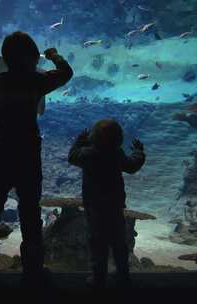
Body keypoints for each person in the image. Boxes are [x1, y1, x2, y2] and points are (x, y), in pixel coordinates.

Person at [0, 32, 73, 288]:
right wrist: (54, 55)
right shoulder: (37, 81)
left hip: (3, 153)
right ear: (34, 57)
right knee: (30, 209)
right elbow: (66, 73)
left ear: (7, 59)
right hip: (28, 154)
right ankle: (32, 272)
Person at [68, 119, 145, 289]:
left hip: (94, 207)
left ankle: (99, 278)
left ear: (93, 138)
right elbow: (132, 166)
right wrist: (139, 152)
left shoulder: (87, 154)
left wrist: (80, 141)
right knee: (119, 242)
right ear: (119, 139)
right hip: (115, 206)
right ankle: (123, 275)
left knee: (98, 243)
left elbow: (72, 156)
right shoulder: (116, 154)